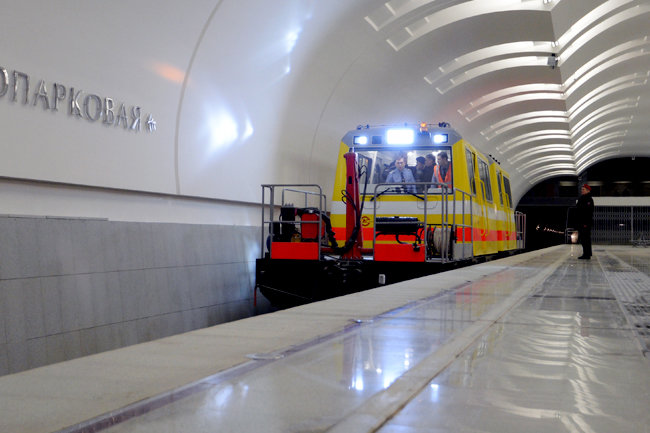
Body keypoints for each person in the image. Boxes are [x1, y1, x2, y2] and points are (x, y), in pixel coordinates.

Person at [576, 184, 594, 259]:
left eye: (583, 189)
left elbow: (588, 212)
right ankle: (586, 253)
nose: (581, 191)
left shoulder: (589, 199)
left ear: (588, 190)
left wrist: (586, 223)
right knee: (584, 239)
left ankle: (586, 254)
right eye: (581, 189)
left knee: (585, 239)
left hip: (585, 223)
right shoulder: (582, 198)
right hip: (582, 222)